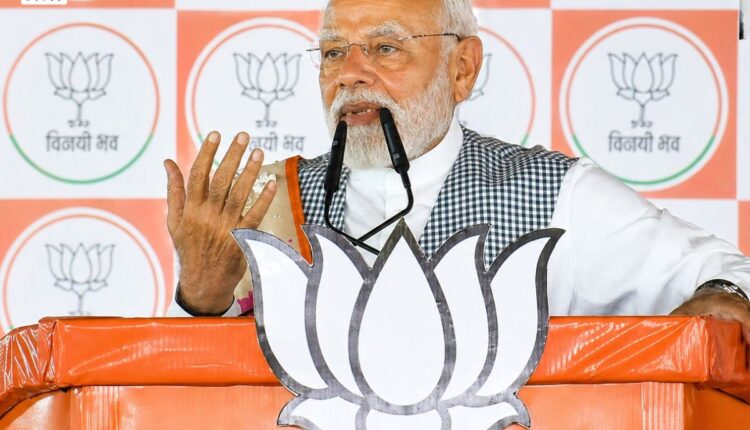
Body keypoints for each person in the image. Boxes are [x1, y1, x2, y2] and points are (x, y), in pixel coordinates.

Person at [164, 0, 750, 344]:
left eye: (385, 49)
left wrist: (722, 296)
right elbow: (199, 390)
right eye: (334, 52)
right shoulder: (265, 203)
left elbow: (729, 277)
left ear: (462, 69)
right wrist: (200, 297)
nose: (350, 74)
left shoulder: (554, 194)